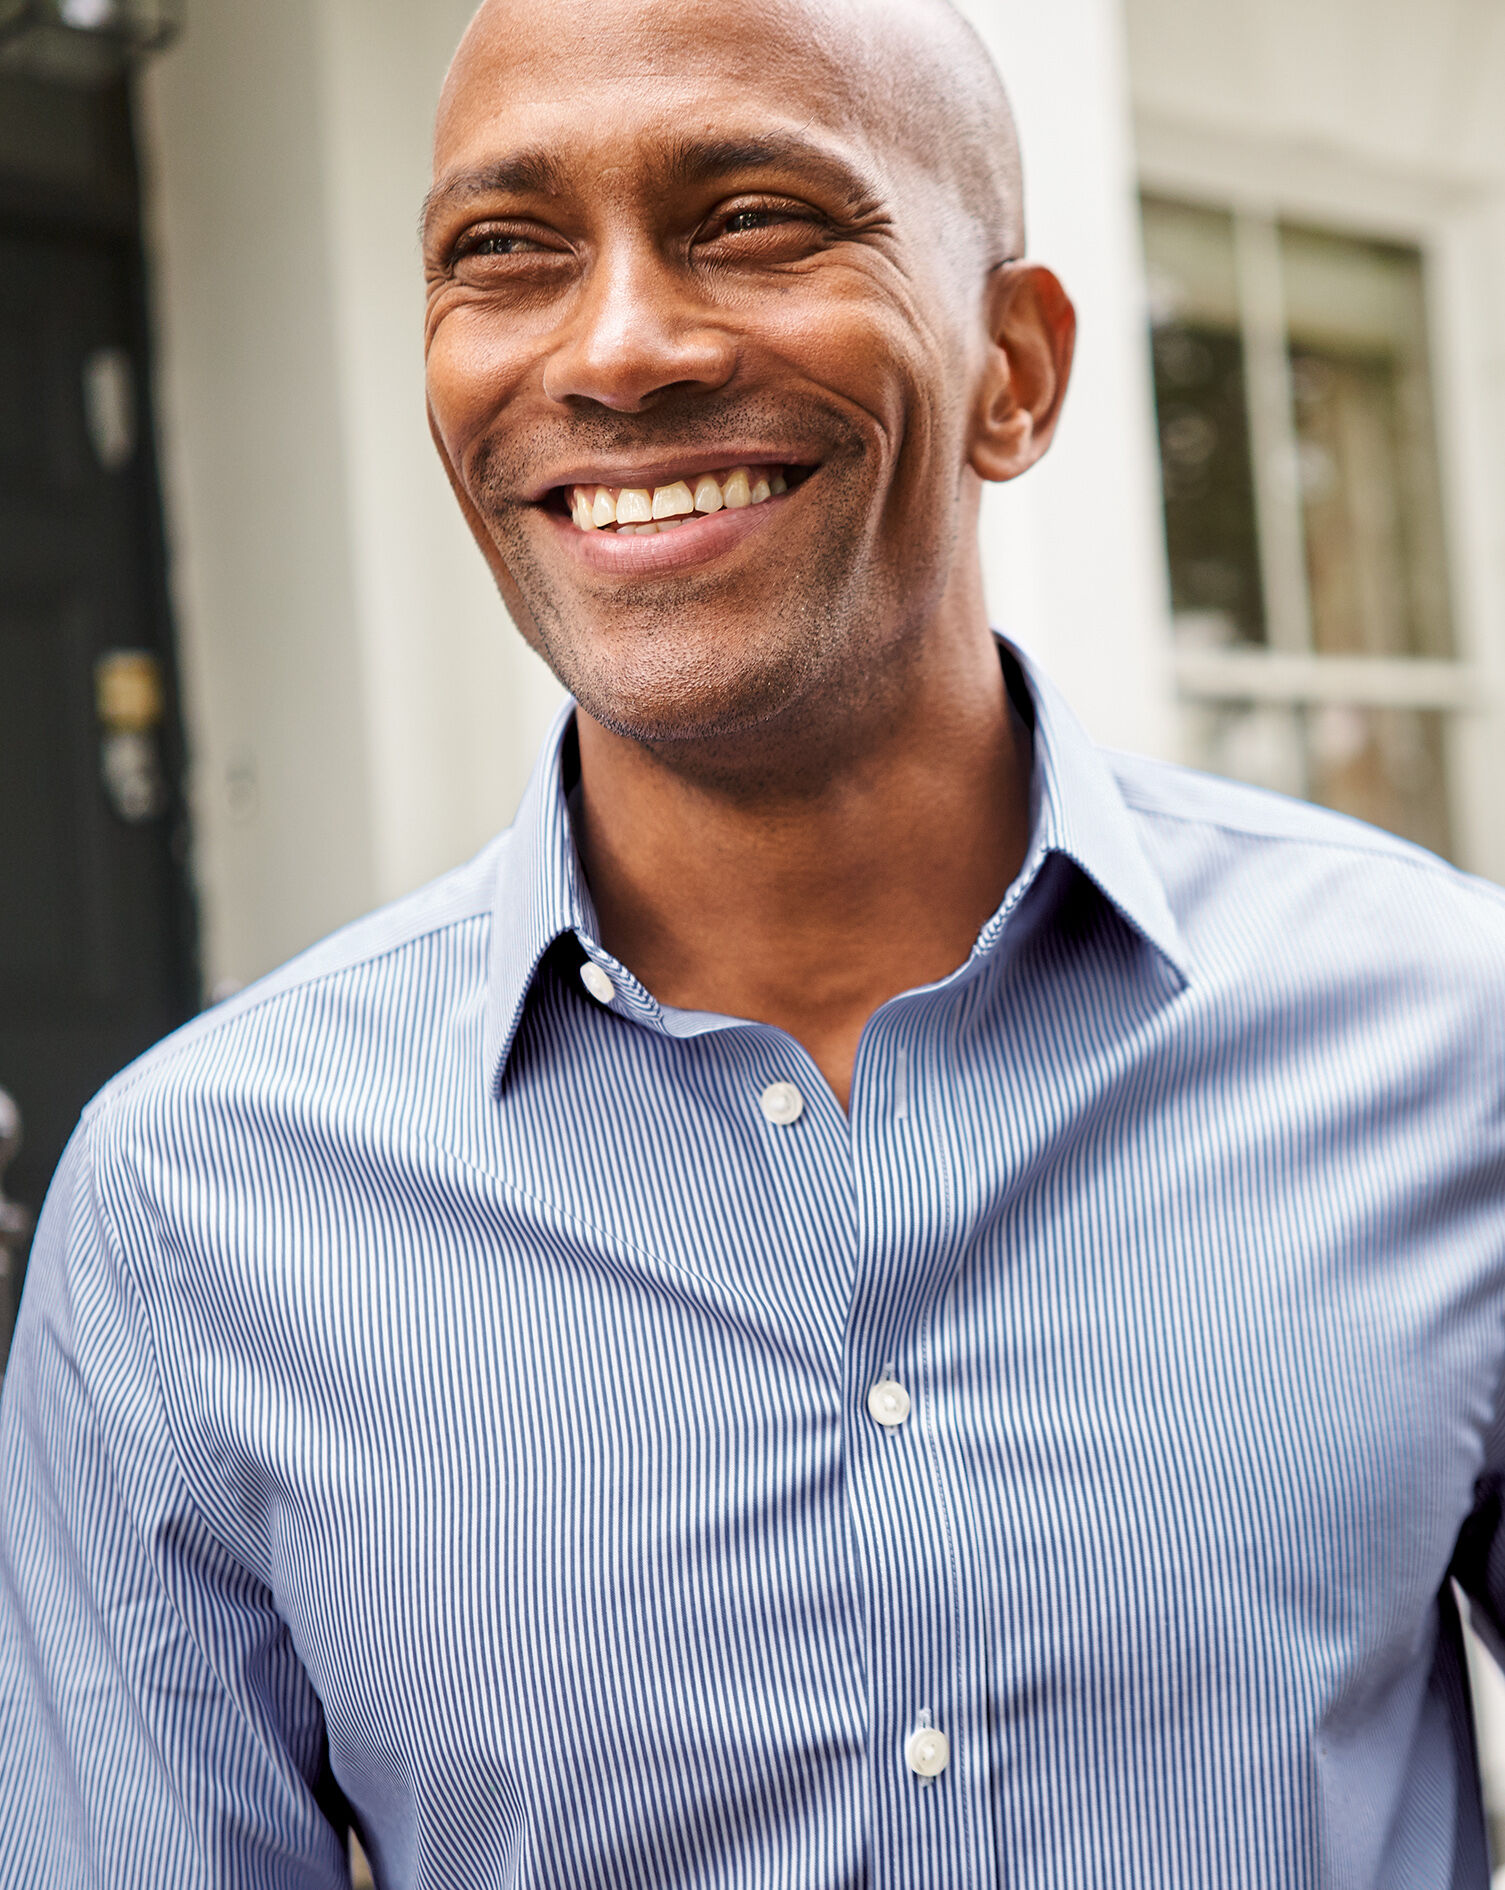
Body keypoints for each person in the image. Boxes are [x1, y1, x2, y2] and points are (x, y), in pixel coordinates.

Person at [3, 0, 1505, 1881]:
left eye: (757, 220)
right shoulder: (185, 1216)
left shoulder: (1450, 1039)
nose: (618, 346)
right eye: (504, 251)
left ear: (1014, 369)